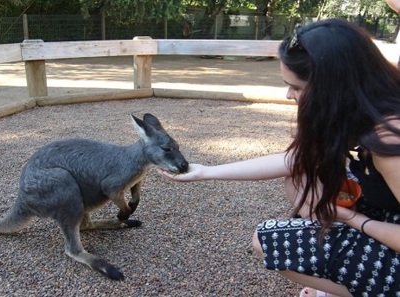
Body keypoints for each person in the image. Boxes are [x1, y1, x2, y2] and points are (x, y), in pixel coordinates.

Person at [159, 19, 400, 297]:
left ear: (331, 87)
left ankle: (363, 288)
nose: (289, 94)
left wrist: (353, 220)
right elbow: (293, 160)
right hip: (385, 216)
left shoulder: (389, 138)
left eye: (296, 87)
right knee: (299, 178)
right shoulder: (362, 109)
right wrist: (206, 171)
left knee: (268, 242)